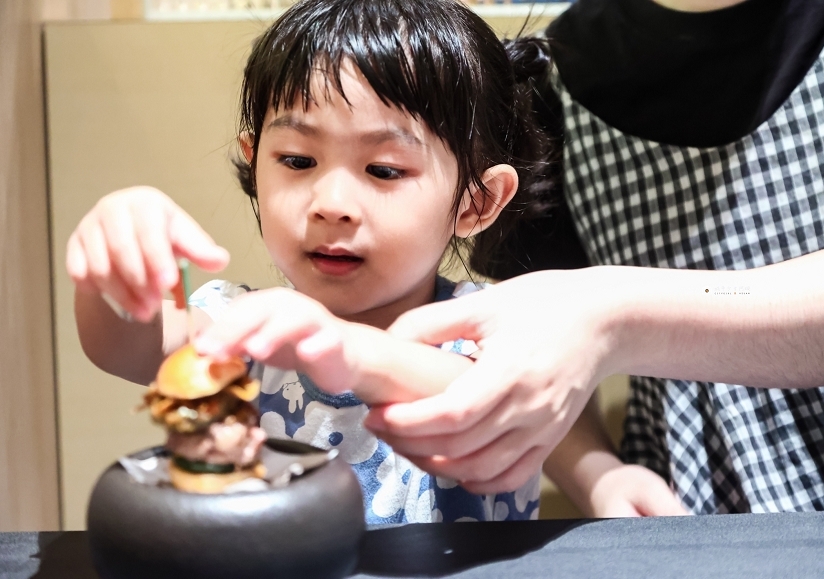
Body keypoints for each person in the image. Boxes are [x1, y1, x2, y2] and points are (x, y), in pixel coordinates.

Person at [363, 0, 824, 517]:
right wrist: (598, 473)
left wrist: (617, 314)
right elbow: (534, 352)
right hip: (687, 506)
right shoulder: (551, 81)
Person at [67, 0, 553, 524]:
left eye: (384, 169)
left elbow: (494, 403)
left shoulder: (488, 328)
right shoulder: (242, 327)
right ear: (255, 165)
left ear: (476, 201)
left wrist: (344, 348)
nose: (331, 203)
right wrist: (111, 271)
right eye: (298, 161)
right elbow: (123, 347)